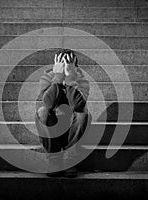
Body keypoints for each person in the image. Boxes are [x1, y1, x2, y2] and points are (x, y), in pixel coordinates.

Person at [35, 49, 91, 178]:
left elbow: (78, 105)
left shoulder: (82, 81)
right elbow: (49, 104)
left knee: (83, 113)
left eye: (69, 64)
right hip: (53, 129)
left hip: (73, 131)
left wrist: (70, 76)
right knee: (42, 111)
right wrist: (58, 77)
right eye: (62, 64)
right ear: (56, 66)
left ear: (74, 67)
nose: (65, 66)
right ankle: (54, 158)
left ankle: (70, 158)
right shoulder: (47, 77)